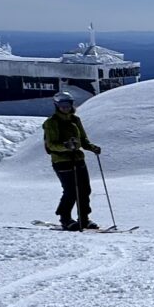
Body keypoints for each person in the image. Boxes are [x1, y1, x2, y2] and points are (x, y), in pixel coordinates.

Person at [42, 92, 103, 230]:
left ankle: (84, 219)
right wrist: (66, 146)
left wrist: (92, 147)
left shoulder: (75, 120)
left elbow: (83, 139)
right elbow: (51, 144)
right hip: (62, 161)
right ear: (57, 106)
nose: (65, 108)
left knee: (84, 190)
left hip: (78, 159)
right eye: (62, 105)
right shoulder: (51, 123)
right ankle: (65, 218)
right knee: (70, 191)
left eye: (67, 104)